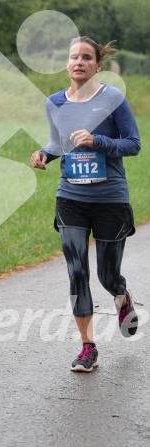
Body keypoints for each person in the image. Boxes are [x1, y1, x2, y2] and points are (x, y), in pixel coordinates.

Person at [30, 36, 141, 373]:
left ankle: (121, 296)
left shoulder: (113, 99)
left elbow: (133, 144)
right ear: (67, 63)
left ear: (97, 65)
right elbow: (57, 141)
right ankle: (87, 347)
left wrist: (99, 141)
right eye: (73, 57)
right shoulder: (54, 102)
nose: (78, 62)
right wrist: (45, 154)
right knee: (77, 272)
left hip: (109, 199)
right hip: (71, 197)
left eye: (86, 57)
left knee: (107, 276)